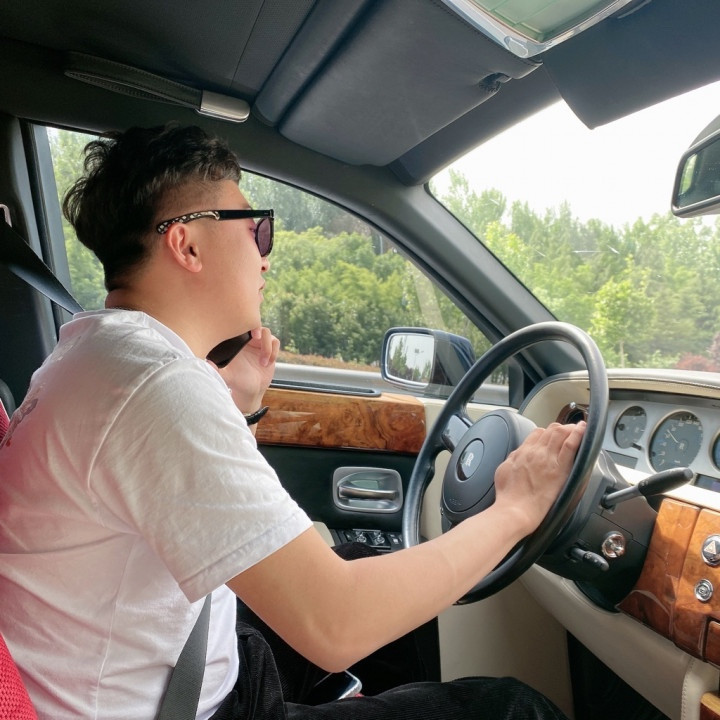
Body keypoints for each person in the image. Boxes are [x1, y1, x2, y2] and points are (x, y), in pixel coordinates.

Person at [0, 124, 585, 720]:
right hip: (187, 703)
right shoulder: (156, 386)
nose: (265, 254)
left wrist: (239, 406)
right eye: (255, 229)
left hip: (180, 661)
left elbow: (180, 505)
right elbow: (338, 624)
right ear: (187, 245)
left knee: (367, 567)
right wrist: (517, 509)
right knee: (513, 710)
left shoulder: (92, 355)